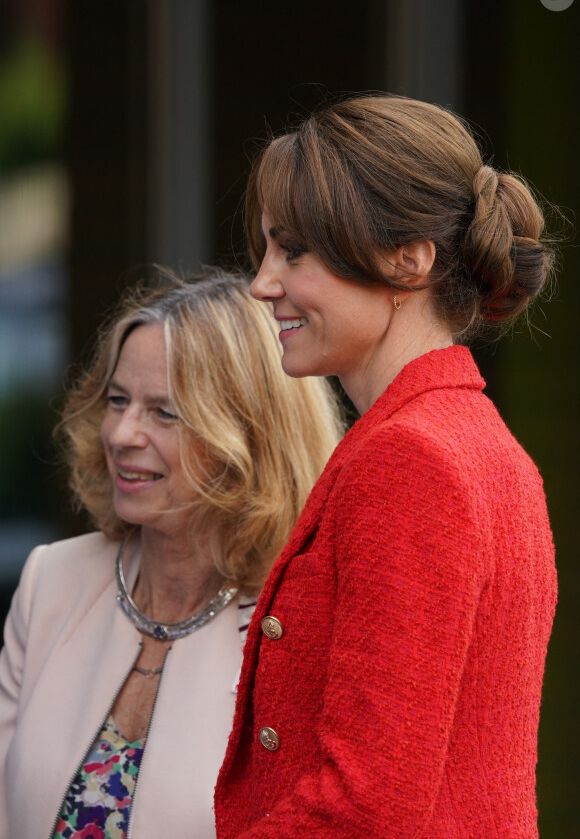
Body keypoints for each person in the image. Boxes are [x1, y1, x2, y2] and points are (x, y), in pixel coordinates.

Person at [214, 96, 558, 837]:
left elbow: (367, 800)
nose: (262, 283)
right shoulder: (476, 438)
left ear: (407, 259)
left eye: (294, 250)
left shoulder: (411, 456)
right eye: (268, 249)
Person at [0, 268, 344, 839]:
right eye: (117, 400)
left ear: (247, 436)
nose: (121, 433)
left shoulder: (300, 624)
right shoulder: (50, 581)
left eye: (164, 411)